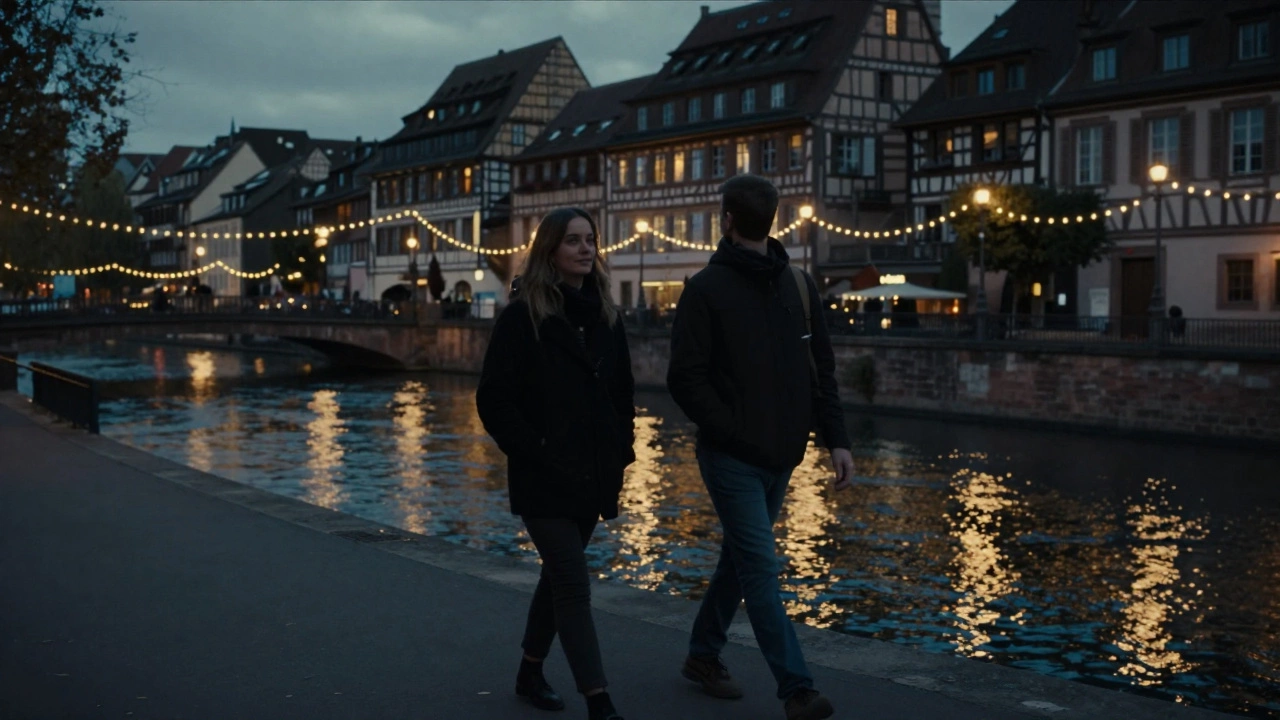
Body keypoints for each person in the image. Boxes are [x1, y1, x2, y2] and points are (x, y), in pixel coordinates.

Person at [667, 175, 854, 720]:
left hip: (781, 456)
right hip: (732, 458)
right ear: (774, 219)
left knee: (741, 560)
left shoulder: (794, 285)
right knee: (759, 567)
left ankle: (703, 656)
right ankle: (796, 688)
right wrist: (732, 431)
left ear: (726, 219)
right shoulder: (710, 289)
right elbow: (688, 381)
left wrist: (830, 439)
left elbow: (818, 369)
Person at [476, 207, 636, 720]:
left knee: (557, 576)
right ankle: (600, 701)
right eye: (573, 241)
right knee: (572, 578)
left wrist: (622, 448)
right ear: (550, 251)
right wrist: (534, 448)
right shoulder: (523, 319)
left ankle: (529, 669)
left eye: (590, 239)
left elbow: (622, 393)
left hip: (592, 473)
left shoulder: (608, 316)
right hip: (543, 475)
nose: (586, 249)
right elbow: (494, 400)